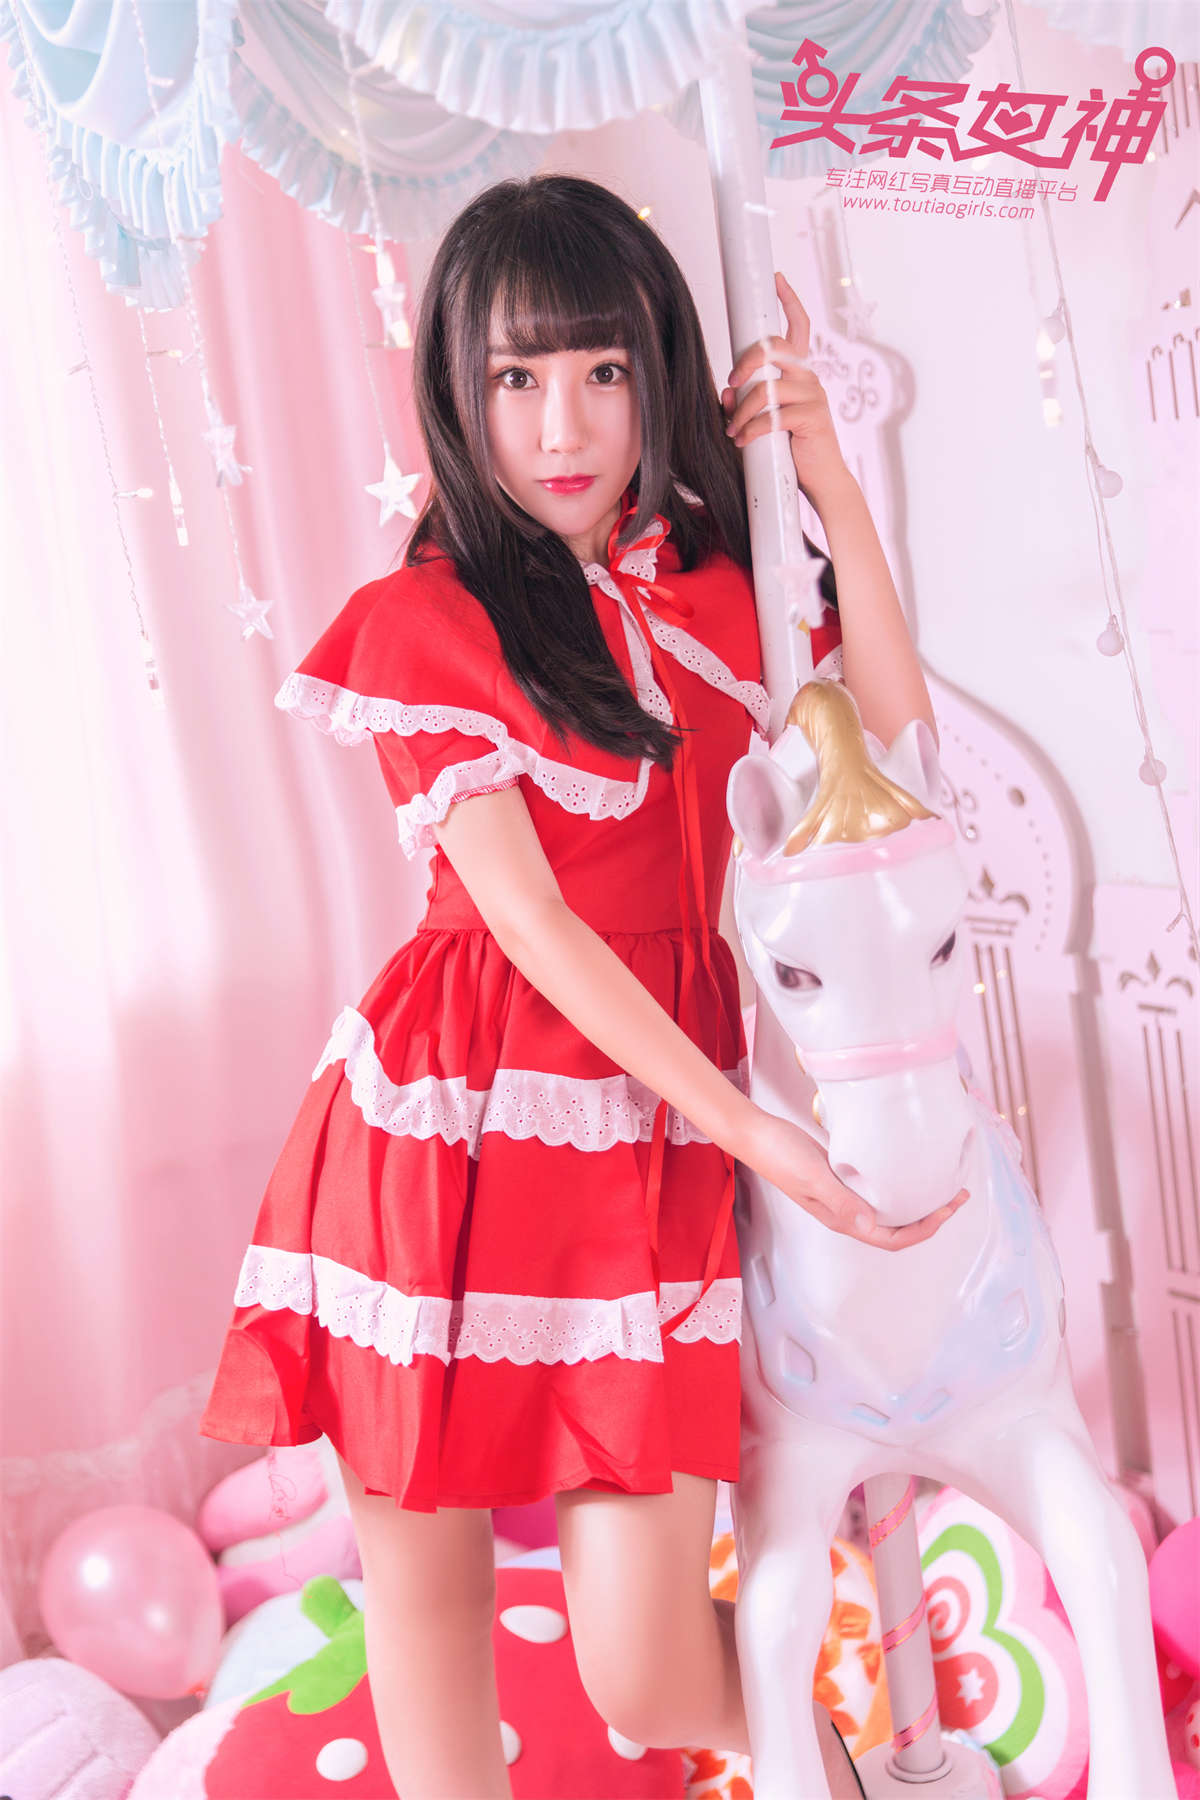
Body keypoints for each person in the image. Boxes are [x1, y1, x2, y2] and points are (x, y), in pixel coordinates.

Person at [199, 173, 963, 1798]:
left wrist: (829, 477)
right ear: (456, 392)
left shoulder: (720, 589)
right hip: (441, 1141)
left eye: (605, 370)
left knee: (652, 1668)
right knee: (429, 1622)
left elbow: (896, 752)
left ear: (656, 372)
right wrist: (762, 1138)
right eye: (517, 376)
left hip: (649, 1156)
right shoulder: (426, 621)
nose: (566, 426)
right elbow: (535, 928)